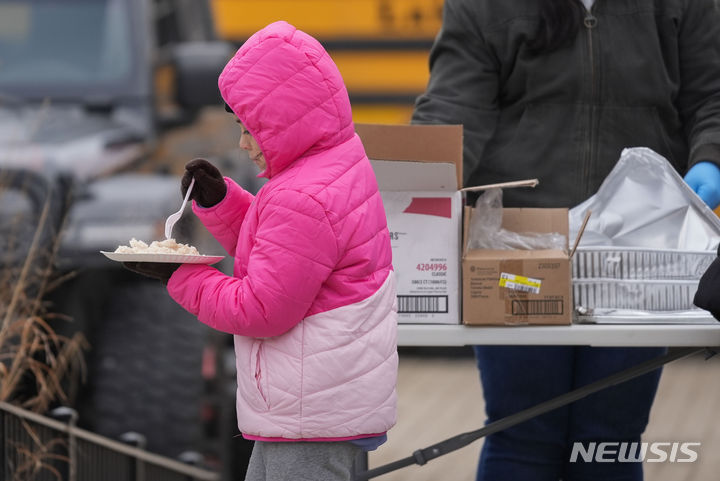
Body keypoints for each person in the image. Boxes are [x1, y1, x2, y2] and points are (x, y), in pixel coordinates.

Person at [412, 1, 720, 480]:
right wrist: (417, 183)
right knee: (521, 431)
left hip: (635, 252)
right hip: (516, 253)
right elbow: (454, 107)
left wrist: (711, 157)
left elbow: (712, 94)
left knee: (609, 438)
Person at [125, 20, 398, 481]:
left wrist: (180, 275)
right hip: (316, 405)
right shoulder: (331, 162)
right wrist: (222, 204)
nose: (243, 143)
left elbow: (262, 308)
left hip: (309, 415)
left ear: (290, 120)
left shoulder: (302, 196)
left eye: (253, 128)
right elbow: (287, 253)